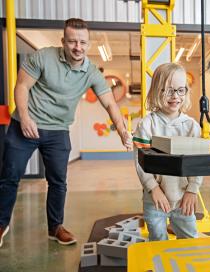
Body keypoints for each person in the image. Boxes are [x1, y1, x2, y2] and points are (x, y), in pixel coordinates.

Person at [0, 18, 132, 247]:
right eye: (72, 42)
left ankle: (55, 228)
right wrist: (25, 117)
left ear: (88, 44)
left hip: (58, 130)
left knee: (58, 181)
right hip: (25, 125)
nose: (77, 47)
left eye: (82, 42)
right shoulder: (43, 57)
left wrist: (122, 130)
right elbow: (21, 86)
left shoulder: (91, 72)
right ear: (63, 41)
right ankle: (1, 224)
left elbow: (110, 104)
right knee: (10, 177)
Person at [133, 63, 202, 241]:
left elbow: (198, 162)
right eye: (168, 90)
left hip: (183, 198)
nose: (175, 97)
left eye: (180, 90)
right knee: (158, 242)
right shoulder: (147, 125)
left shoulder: (192, 127)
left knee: (189, 241)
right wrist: (153, 189)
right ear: (157, 90)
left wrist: (192, 190)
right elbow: (140, 162)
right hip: (155, 199)